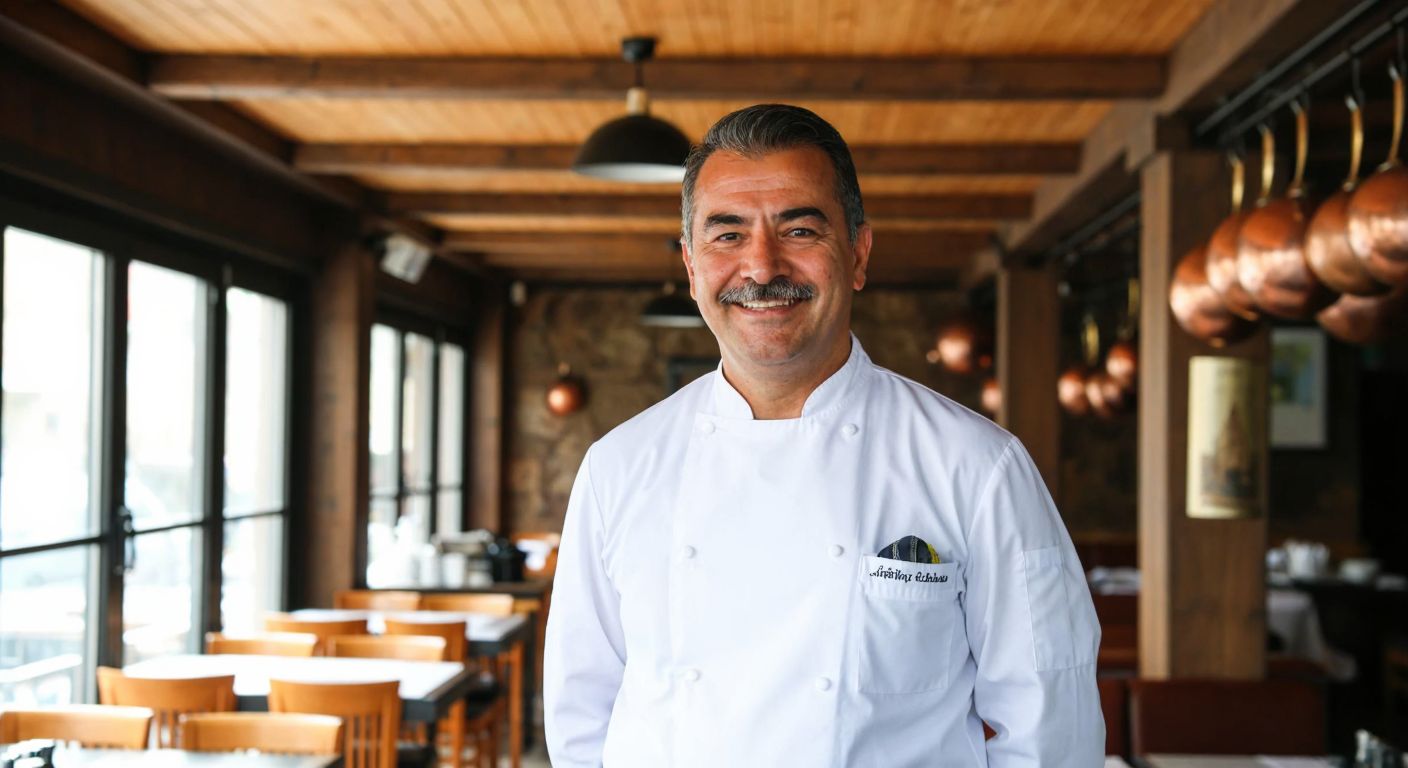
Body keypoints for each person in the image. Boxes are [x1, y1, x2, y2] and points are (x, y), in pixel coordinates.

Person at [544, 104, 1104, 767]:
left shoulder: (978, 466)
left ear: (858, 253)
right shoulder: (618, 467)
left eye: (800, 229)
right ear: (691, 267)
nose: (761, 266)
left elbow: (1051, 731)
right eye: (728, 235)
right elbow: (581, 719)